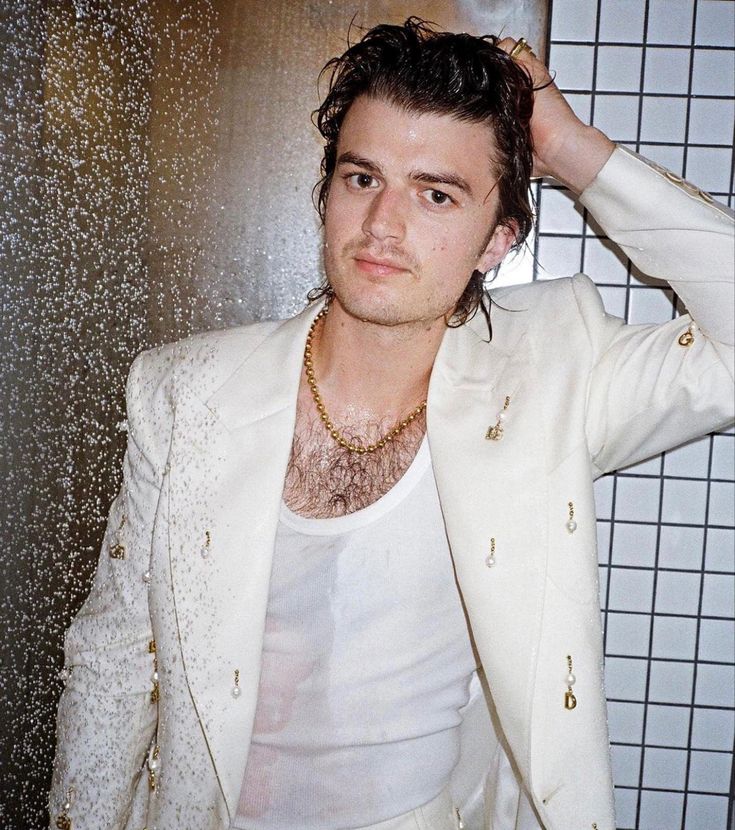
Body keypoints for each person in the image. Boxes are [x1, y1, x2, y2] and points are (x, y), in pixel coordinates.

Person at [50, 18, 734, 830]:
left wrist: (577, 152)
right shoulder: (187, 391)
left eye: (435, 193)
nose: (382, 225)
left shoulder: (551, 382)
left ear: (497, 241)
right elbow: (114, 663)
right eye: (362, 178)